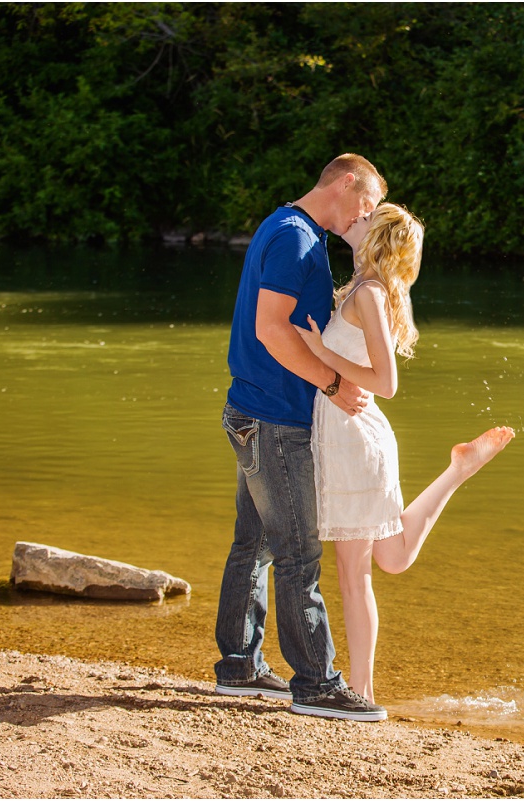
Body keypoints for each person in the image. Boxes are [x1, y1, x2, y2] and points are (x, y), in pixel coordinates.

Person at [294, 202, 515, 706]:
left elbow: (386, 384)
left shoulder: (370, 293)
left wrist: (318, 351)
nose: (359, 215)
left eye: (370, 217)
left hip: (355, 438)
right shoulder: (362, 289)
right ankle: (458, 470)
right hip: (350, 435)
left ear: (379, 238)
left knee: (357, 572)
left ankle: (362, 693)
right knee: (390, 558)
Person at [214, 153, 388, 722]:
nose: (364, 218)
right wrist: (334, 383)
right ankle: (315, 682)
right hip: (274, 417)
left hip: (254, 410)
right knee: (297, 553)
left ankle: (240, 668)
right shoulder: (296, 238)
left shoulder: (286, 227)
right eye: (366, 204)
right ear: (345, 184)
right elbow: (270, 330)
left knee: (255, 543)